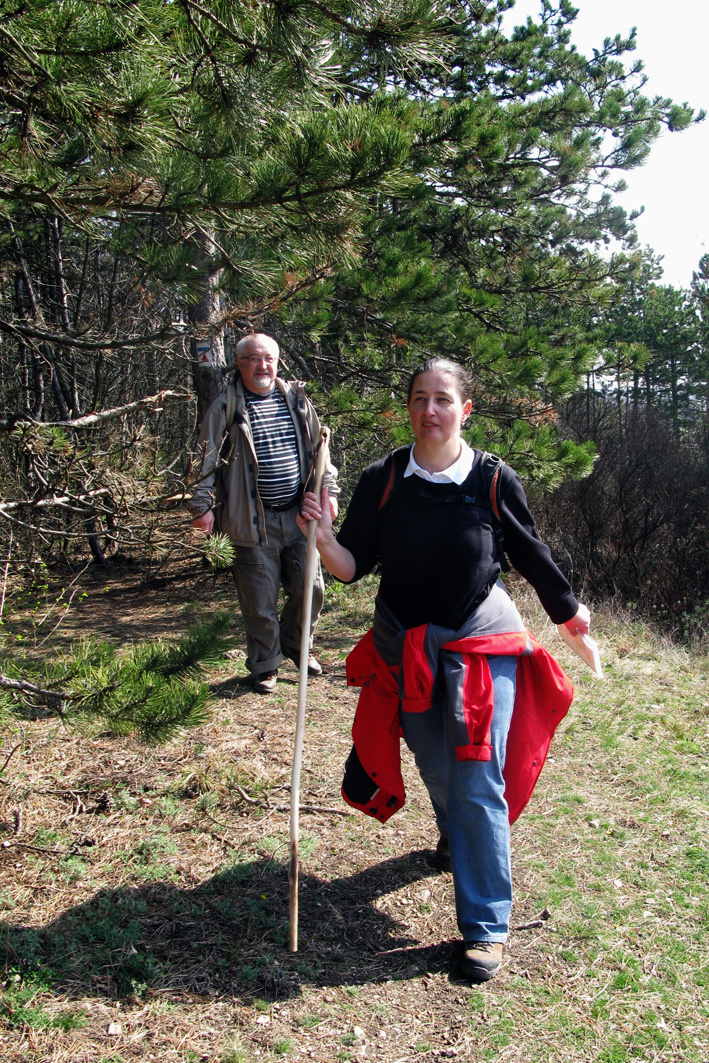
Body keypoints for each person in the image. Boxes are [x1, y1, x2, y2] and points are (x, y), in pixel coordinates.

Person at [298, 357, 590, 982]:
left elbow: (531, 553)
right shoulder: (384, 478)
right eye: (420, 399)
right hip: (407, 641)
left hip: (481, 635)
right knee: (436, 762)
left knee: (477, 769)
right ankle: (456, 836)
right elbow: (355, 562)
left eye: (443, 399)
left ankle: (487, 926)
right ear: (408, 407)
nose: (430, 411)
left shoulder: (490, 478)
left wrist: (571, 619)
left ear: (464, 409)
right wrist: (324, 542)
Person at [189, 333, 339, 694]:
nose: (262, 366)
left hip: (300, 515)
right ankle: (265, 664)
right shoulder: (226, 407)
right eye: (254, 359)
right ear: (240, 364)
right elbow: (205, 458)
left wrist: (328, 490)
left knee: (311, 590)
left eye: (268, 358)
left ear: (277, 362)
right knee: (259, 600)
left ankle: (296, 645)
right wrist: (201, 506)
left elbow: (322, 449)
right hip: (251, 520)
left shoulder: (297, 400)